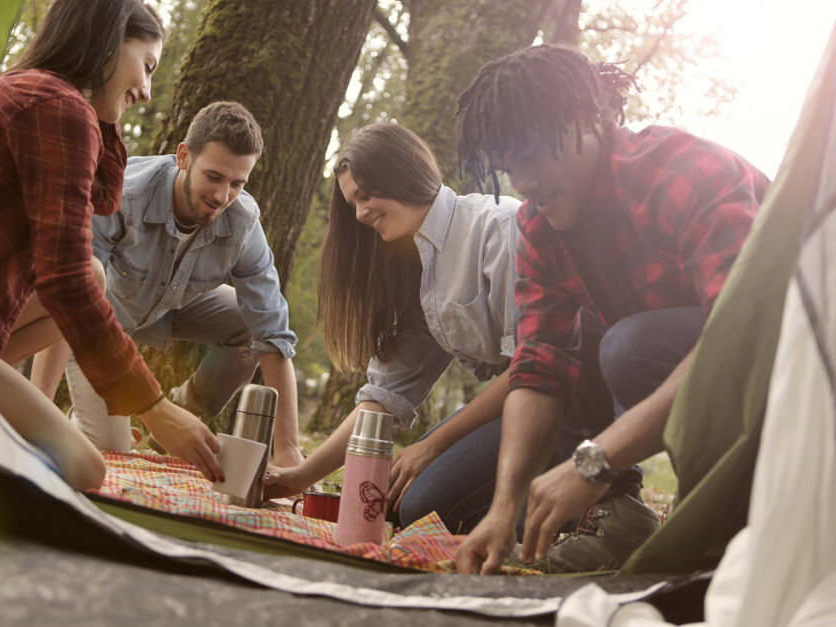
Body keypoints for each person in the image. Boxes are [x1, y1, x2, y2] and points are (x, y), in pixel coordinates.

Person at [453, 44, 770, 574]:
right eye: (511, 169)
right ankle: (644, 513)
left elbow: (742, 333)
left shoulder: (683, 173)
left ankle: (750, 509)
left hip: (796, 358)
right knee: (608, 340)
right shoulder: (537, 226)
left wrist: (593, 463)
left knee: (630, 346)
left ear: (589, 120)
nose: (525, 185)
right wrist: (504, 508)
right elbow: (537, 370)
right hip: (709, 370)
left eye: (532, 154)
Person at [0, 0, 219, 490]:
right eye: (147, 65)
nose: (148, 90)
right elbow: (63, 277)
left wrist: (104, 104)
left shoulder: (38, 92)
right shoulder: (60, 108)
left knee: (97, 270)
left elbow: (100, 201)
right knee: (85, 470)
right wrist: (154, 407)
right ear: (109, 40)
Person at [263, 122, 532, 531]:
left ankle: (587, 501)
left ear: (402, 174)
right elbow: (384, 397)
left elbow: (533, 366)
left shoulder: (497, 227)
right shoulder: (416, 272)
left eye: (366, 196)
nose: (359, 213)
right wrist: (300, 477)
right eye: (352, 203)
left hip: (562, 402)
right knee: (390, 499)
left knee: (420, 504)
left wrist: (431, 445)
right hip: (516, 408)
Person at [31, 101, 304, 469]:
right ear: (184, 157)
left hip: (171, 311)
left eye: (237, 183)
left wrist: (287, 448)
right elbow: (69, 292)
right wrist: (34, 413)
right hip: (100, 325)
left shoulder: (243, 223)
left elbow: (274, 334)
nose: (223, 196)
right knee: (112, 452)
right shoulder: (123, 196)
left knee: (249, 318)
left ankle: (179, 413)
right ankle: (82, 422)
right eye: (214, 176)